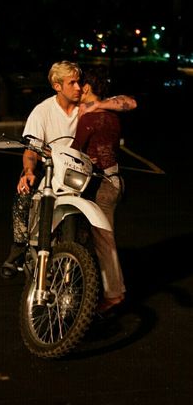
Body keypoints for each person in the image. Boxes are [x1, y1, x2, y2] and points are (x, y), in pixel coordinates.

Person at [1, 60, 137, 279]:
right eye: (71, 83)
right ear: (57, 86)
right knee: (24, 193)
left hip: (79, 175)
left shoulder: (83, 107)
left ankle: (78, 266)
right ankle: (18, 248)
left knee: (87, 226)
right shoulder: (42, 111)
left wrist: (98, 106)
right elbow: (31, 150)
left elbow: (130, 103)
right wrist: (28, 170)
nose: (78, 87)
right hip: (50, 171)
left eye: (79, 82)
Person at [72, 65, 126, 312]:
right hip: (115, 181)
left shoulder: (90, 119)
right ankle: (92, 282)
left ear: (87, 87)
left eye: (81, 85)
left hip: (101, 184)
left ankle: (114, 294)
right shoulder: (111, 116)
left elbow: (75, 150)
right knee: (96, 236)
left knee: (104, 241)